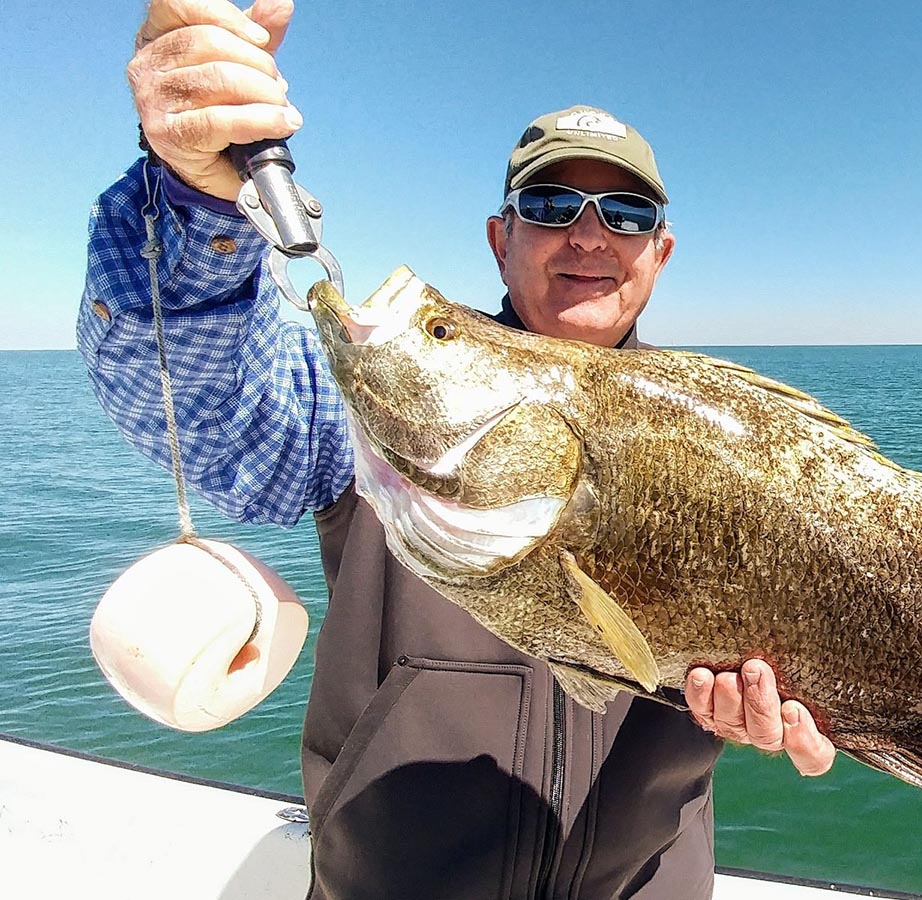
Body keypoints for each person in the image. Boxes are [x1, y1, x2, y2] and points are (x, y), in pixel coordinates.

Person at [80, 1, 836, 896]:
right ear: (499, 237)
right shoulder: (385, 398)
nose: (590, 235)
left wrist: (807, 713)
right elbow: (206, 404)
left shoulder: (729, 442)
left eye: (626, 214)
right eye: (553, 205)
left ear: (659, 253)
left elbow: (812, 662)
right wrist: (195, 195)